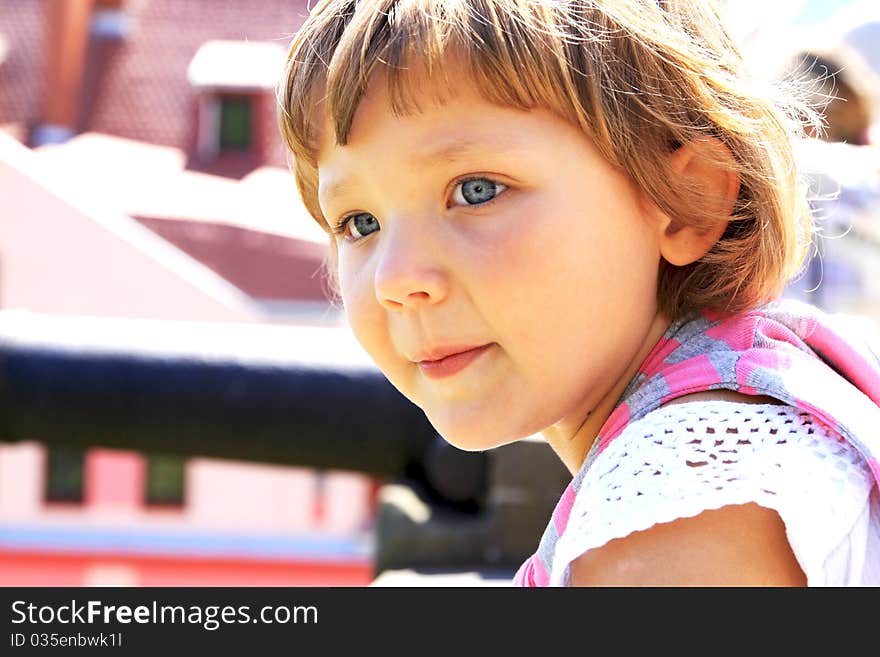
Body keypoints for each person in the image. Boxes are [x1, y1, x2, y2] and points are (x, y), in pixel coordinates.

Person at [276, 0, 880, 586]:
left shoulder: (681, 510)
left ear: (685, 204)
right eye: (359, 223)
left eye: (478, 189)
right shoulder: (749, 401)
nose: (396, 281)